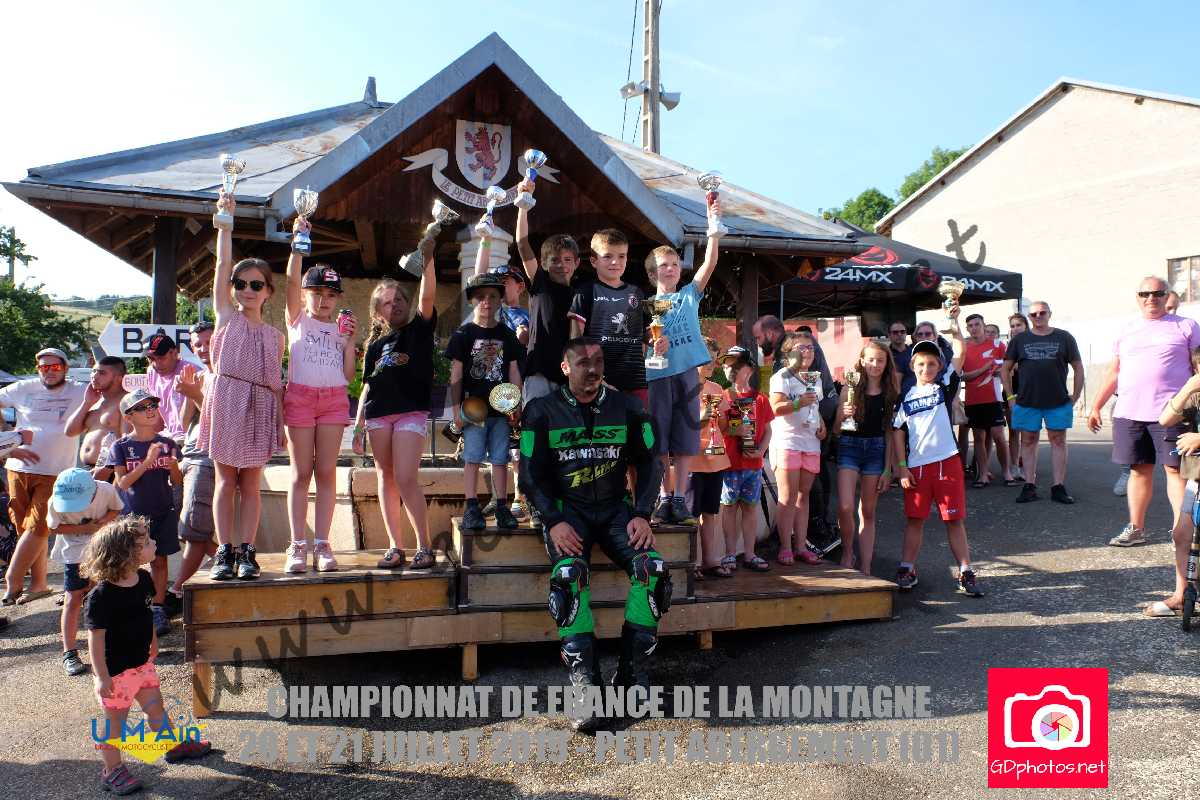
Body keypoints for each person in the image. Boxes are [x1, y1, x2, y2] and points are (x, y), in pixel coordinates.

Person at [518, 337, 666, 730]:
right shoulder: (540, 410)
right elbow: (529, 476)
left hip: (617, 512)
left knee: (652, 570)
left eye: (598, 361)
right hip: (568, 513)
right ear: (565, 368)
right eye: (583, 362)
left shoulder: (629, 407)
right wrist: (553, 519)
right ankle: (587, 687)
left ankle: (632, 678)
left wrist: (642, 514)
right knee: (569, 576)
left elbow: (651, 462)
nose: (593, 368)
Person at [82, 517, 211, 794]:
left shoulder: (143, 579)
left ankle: (172, 745)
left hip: (142, 665)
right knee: (115, 724)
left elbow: (146, 614)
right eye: (148, 541)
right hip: (116, 674)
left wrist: (153, 642)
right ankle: (112, 770)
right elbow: (95, 638)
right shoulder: (100, 597)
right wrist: (101, 676)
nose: (154, 543)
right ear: (127, 552)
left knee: (155, 707)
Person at [198, 190, 285, 580]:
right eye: (241, 283)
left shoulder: (275, 336)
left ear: (268, 291)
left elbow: (277, 386)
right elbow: (221, 264)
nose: (247, 290)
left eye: (256, 284)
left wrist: (280, 422)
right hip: (226, 397)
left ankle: (247, 551)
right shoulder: (224, 315)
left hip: (260, 404)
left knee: (251, 482)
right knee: (225, 480)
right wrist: (225, 223)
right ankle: (224, 551)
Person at [1088, 276, 1200, 547]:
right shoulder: (1127, 329)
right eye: (1145, 293)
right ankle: (1136, 529)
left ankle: (1181, 533)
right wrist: (1096, 406)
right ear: (1137, 297)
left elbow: (1198, 367)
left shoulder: (1186, 326)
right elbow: (1114, 372)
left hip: (1173, 413)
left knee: (1175, 471)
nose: (1151, 298)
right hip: (1130, 412)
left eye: (1158, 293)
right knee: (1138, 470)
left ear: (1167, 296)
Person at [352, 235, 439, 570]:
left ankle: (425, 547)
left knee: (404, 477)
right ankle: (395, 547)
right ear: (378, 313)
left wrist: (428, 258)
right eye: (388, 303)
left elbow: (427, 295)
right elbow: (367, 386)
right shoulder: (374, 347)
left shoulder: (419, 328)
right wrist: (357, 424)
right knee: (384, 478)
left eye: (399, 298)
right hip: (378, 415)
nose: (396, 304)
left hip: (410, 412)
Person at [892, 306, 984, 597]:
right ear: (912, 365)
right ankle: (907, 567)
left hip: (947, 463)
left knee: (954, 520)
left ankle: (966, 571)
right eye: (921, 364)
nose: (926, 369)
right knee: (915, 520)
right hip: (917, 467)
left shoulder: (945, 385)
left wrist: (954, 322)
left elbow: (960, 351)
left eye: (932, 364)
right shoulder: (906, 397)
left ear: (939, 366)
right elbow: (897, 431)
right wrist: (901, 467)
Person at [282, 224, 357, 574]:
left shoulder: (341, 328)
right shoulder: (296, 319)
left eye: (330, 294)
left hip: (333, 400)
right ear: (304, 295)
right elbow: (290, 282)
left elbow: (349, 375)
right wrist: (298, 245)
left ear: (337, 298)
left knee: (326, 472)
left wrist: (350, 343)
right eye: (316, 293)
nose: (323, 300)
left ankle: (323, 544)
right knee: (301, 473)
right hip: (299, 397)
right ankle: (297, 545)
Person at [645, 198, 723, 525]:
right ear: (653, 272)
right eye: (664, 265)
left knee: (687, 437)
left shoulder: (689, 294)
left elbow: (710, 262)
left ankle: (679, 498)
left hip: (688, 373)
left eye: (675, 263)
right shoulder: (648, 305)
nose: (671, 268)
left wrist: (713, 227)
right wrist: (654, 347)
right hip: (658, 375)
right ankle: (665, 496)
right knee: (660, 438)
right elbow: (645, 344)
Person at [1, 347, 86, 606]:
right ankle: (38, 585)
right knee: (25, 529)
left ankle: (14, 580)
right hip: (18, 468)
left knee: (39, 526)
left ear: (65, 368)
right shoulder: (23, 388)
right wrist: (6, 440)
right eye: (43, 367)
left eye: (55, 366)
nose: (49, 371)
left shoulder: (79, 390)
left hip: (55, 471)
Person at [448, 273, 523, 531]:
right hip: (474, 409)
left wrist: (516, 403)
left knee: (500, 458)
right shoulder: (464, 334)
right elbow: (456, 374)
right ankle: (471, 505)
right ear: (471, 300)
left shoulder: (506, 334)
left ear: (500, 299)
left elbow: (514, 370)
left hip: (501, 409)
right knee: (472, 456)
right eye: (480, 297)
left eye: (492, 296)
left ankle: (501, 505)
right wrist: (456, 410)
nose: (487, 301)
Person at [109, 389, 182, 636]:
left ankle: (158, 608)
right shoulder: (121, 446)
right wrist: (147, 463)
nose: (150, 410)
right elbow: (122, 483)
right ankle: (132, 608)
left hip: (162, 511)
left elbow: (177, 481)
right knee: (130, 563)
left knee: (160, 561)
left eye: (152, 405)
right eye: (142, 407)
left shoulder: (168, 444)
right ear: (128, 417)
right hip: (132, 516)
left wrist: (173, 467)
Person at [474, 229, 532, 523]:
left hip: (516, 387)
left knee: (517, 446)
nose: (500, 287)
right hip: (488, 386)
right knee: (492, 445)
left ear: (520, 286)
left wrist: (525, 339)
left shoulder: (528, 316)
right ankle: (499, 497)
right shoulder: (489, 313)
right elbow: (478, 277)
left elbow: (531, 350)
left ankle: (520, 498)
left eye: (506, 282)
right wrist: (484, 239)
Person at [1001, 302, 1083, 504]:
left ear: (1049, 314)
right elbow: (1005, 369)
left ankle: (1058, 486)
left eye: (1042, 312)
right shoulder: (1019, 340)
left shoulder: (1064, 337)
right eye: (1034, 314)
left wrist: (1075, 396)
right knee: (1028, 441)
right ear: (1029, 317)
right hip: (1027, 401)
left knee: (1058, 440)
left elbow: (1078, 367)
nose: (1038, 316)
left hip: (1058, 401)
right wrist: (1010, 397)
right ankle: (1029, 485)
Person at [47, 468, 123, 676]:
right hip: (74, 552)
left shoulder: (106, 490)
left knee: (107, 595)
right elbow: (52, 527)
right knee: (73, 599)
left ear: (93, 490)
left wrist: (102, 522)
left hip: (103, 549)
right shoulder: (55, 501)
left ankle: (112, 644)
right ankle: (69, 652)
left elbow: (116, 509)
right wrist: (84, 529)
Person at [568, 229, 657, 406]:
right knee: (606, 425)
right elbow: (576, 342)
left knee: (640, 423)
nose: (615, 262)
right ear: (594, 261)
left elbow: (648, 333)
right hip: (599, 382)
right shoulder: (585, 292)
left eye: (621, 256)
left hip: (637, 381)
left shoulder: (637, 293)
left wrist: (658, 340)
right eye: (607, 256)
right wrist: (595, 378)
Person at [833, 341, 897, 573]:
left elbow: (890, 433)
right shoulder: (849, 388)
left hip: (876, 450)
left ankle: (866, 565)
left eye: (880, 360)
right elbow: (836, 430)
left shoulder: (891, 392)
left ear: (887, 363)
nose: (875, 364)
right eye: (870, 359)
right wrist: (842, 414)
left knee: (868, 511)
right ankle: (847, 551)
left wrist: (888, 469)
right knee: (845, 506)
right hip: (849, 446)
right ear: (861, 361)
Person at [167, 322, 218, 605]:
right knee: (186, 527)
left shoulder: (226, 376)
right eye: (198, 344)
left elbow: (216, 422)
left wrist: (195, 394)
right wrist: (188, 392)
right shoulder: (197, 375)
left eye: (209, 342)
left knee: (193, 530)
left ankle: (177, 589)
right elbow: (183, 421)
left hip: (207, 459)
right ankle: (228, 560)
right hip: (188, 455)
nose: (203, 349)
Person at [1149, 347, 1200, 617]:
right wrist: (1189, 387)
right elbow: (1165, 419)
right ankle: (1181, 594)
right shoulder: (1195, 396)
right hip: (1197, 477)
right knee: (1182, 533)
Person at [768, 333, 826, 567]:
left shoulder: (815, 378)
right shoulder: (782, 376)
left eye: (810, 348)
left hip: (811, 442)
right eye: (802, 348)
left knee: (804, 495)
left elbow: (814, 407)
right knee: (788, 496)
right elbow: (774, 407)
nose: (807, 352)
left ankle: (801, 547)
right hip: (787, 441)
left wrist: (822, 424)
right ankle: (785, 547)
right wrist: (797, 403)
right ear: (789, 352)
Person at [717, 346, 774, 572]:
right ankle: (730, 554)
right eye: (727, 364)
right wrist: (735, 430)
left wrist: (761, 451)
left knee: (750, 508)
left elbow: (768, 430)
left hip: (753, 465)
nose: (729, 368)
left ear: (749, 369)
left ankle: (750, 554)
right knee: (729, 507)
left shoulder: (761, 399)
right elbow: (718, 430)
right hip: (729, 464)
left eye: (736, 364)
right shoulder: (723, 396)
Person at [692, 337, 733, 579]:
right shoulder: (682, 386)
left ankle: (710, 560)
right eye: (706, 358)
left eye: (713, 360)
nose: (710, 364)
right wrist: (702, 418)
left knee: (710, 512)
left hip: (715, 458)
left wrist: (738, 424)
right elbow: (679, 424)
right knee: (691, 513)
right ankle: (693, 562)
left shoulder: (717, 389)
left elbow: (725, 425)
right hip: (691, 460)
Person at [961, 313, 1015, 487]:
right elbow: (962, 376)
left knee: (998, 436)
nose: (974, 328)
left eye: (977, 324)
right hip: (973, 399)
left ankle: (1007, 473)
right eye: (970, 325)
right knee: (978, 437)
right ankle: (983, 474)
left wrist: (1002, 373)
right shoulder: (964, 348)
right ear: (967, 328)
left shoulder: (998, 345)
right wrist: (984, 369)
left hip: (994, 398)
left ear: (983, 326)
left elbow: (1010, 368)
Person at [64, 357, 128, 476]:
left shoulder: (126, 401)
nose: (94, 376)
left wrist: (105, 469)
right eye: (93, 371)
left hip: (111, 470)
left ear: (118, 378)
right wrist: (86, 403)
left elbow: (128, 442)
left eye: (102, 373)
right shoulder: (94, 401)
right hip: (88, 469)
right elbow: (70, 431)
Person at [1005, 313, 1030, 481]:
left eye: (1018, 325)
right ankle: (1014, 466)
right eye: (1012, 326)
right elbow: (1005, 371)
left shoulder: (1033, 344)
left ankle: (1026, 466)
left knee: (1028, 433)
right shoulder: (1009, 347)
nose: (1015, 329)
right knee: (1014, 432)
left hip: (1030, 394)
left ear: (1026, 326)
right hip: (1012, 394)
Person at [888, 321, 912, 388]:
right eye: (895, 332)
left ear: (906, 334)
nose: (899, 334)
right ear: (889, 335)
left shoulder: (914, 353)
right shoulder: (885, 354)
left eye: (902, 332)